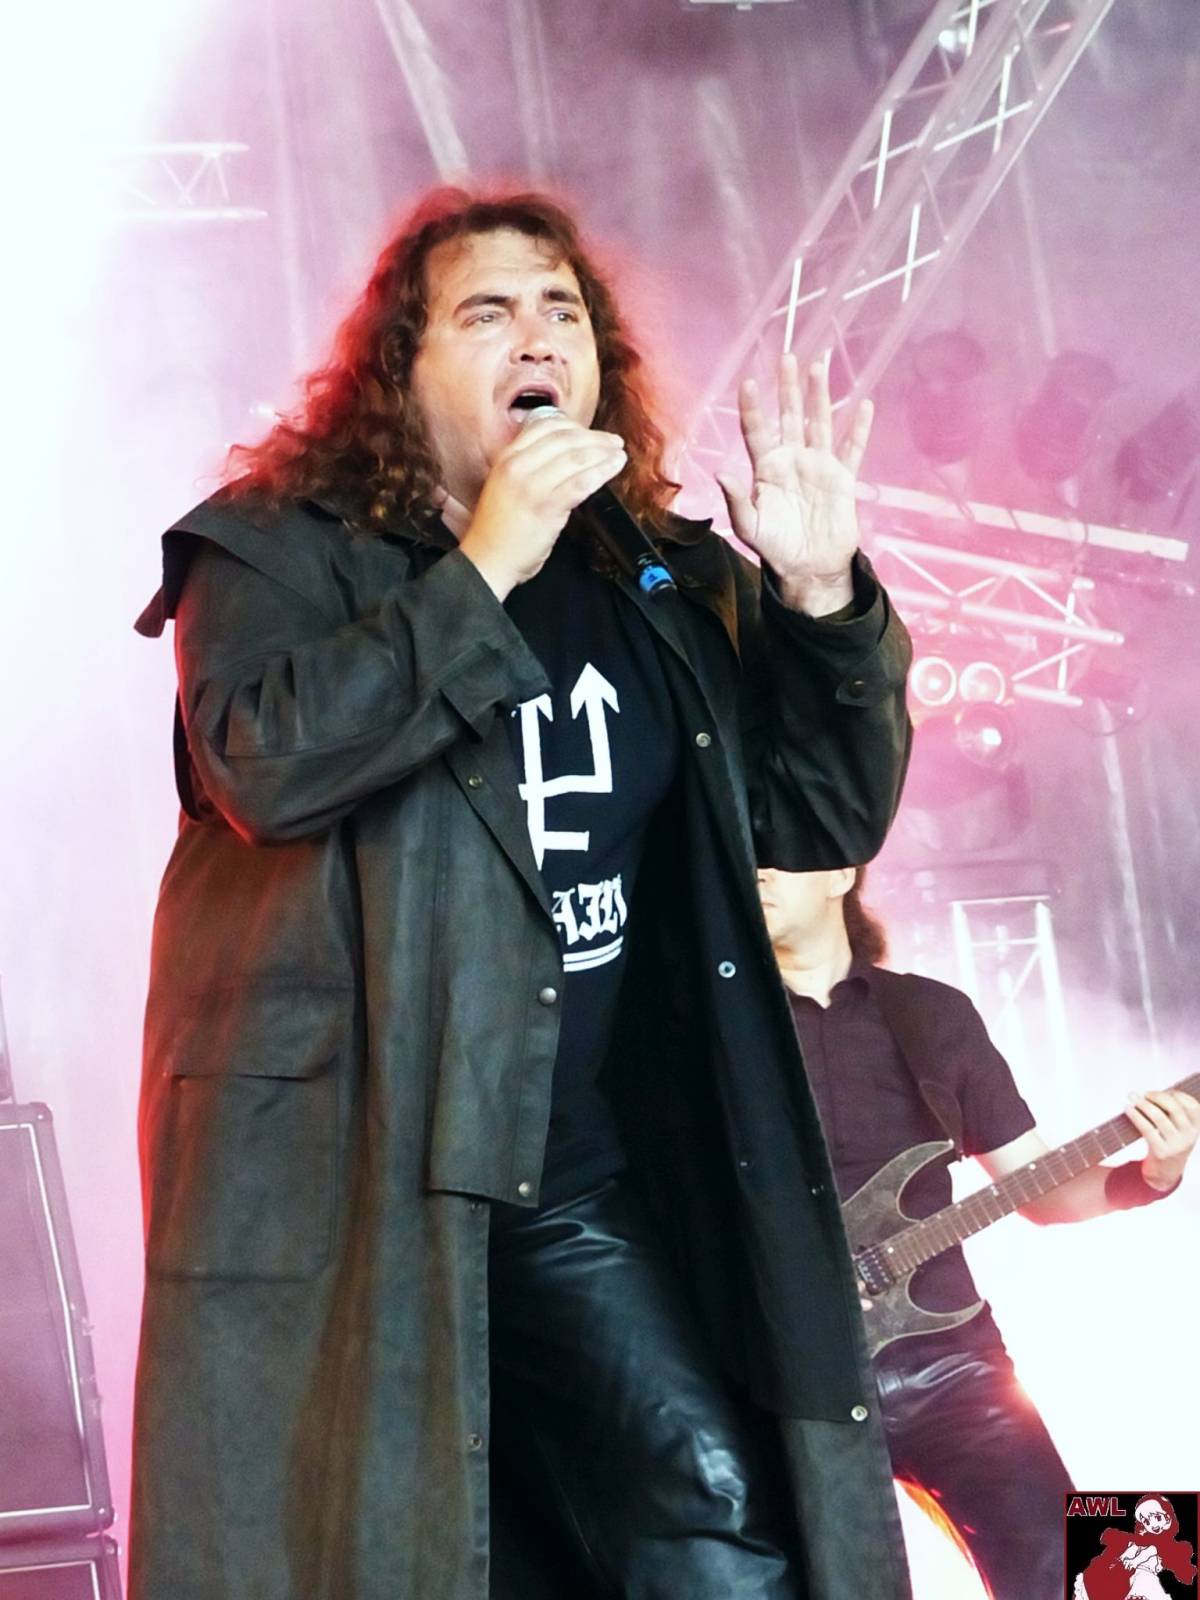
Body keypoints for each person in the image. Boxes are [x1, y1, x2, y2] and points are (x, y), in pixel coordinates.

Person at [129, 185, 914, 1600]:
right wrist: (487, 563)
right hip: (360, 1175)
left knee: (709, 1519)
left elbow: (815, 816)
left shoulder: (652, 578)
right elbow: (266, 766)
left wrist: (819, 601)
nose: (537, 336)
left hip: (568, 1161)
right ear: (402, 370)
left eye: (563, 312)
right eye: (487, 313)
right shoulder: (275, 550)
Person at [757, 864, 1200, 1600]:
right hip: (786, 1375)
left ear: (841, 872)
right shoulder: (709, 1029)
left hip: (951, 1364)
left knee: (1115, 1571)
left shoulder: (930, 1013)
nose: (758, 868)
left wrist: (1154, 1174)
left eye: (782, 852)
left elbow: (1041, 1191)